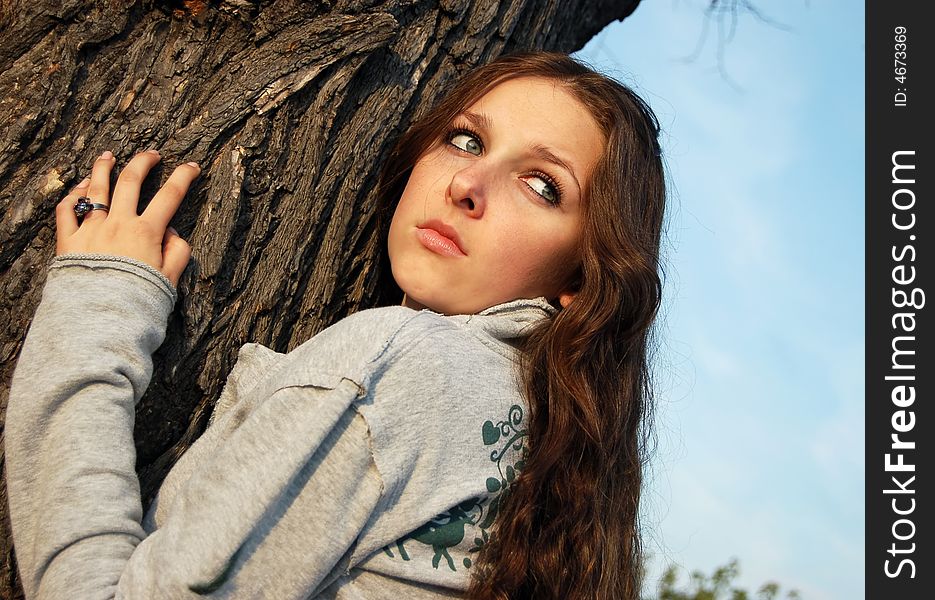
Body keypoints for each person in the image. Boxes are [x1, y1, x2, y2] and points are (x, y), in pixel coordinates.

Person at [5, 51, 666, 599]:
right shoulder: (546, 456)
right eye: (466, 139)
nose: (467, 180)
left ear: (579, 281)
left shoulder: (401, 366)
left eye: (540, 184)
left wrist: (97, 303)